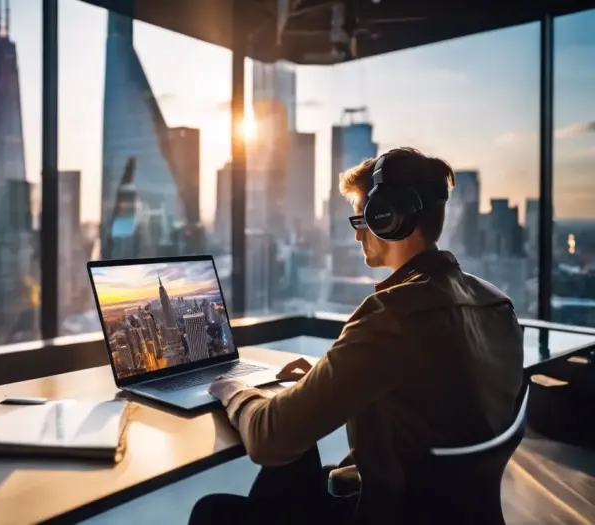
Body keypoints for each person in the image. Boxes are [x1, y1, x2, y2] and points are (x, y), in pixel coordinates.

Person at [188, 147, 524, 524]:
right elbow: (437, 391)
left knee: (212, 512)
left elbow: (269, 440)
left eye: (362, 217)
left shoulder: (394, 314)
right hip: (451, 512)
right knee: (297, 465)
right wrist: (328, 376)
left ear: (387, 218)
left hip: (386, 512)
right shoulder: (498, 306)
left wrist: (235, 392)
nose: (358, 233)